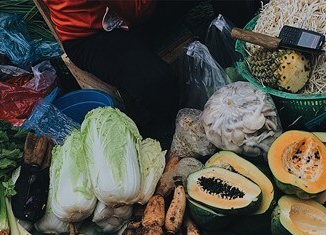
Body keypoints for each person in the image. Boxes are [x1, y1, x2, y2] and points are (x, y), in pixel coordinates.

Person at [44, 0, 259, 142]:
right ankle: (195, 134)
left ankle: (251, 51)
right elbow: (137, 9)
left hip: (136, 11)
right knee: (155, 84)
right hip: (93, 33)